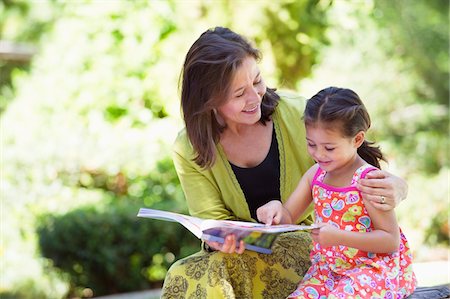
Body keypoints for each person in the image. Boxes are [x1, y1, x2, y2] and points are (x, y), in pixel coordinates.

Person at [161, 27, 409, 299]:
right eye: (239, 93)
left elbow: (351, 150)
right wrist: (220, 236)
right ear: (209, 100)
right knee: (182, 273)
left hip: (308, 246)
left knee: (230, 272)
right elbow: (212, 223)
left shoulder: (298, 113)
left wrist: (399, 186)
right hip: (235, 254)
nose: (255, 98)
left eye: (257, 82)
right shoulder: (189, 146)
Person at [257, 87, 417, 298]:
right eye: (311, 144)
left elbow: (390, 240)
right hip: (328, 271)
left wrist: (339, 237)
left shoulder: (368, 181)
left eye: (329, 148)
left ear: (357, 140)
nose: (319, 154)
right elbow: (288, 218)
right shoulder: (315, 174)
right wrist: (274, 209)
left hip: (370, 270)